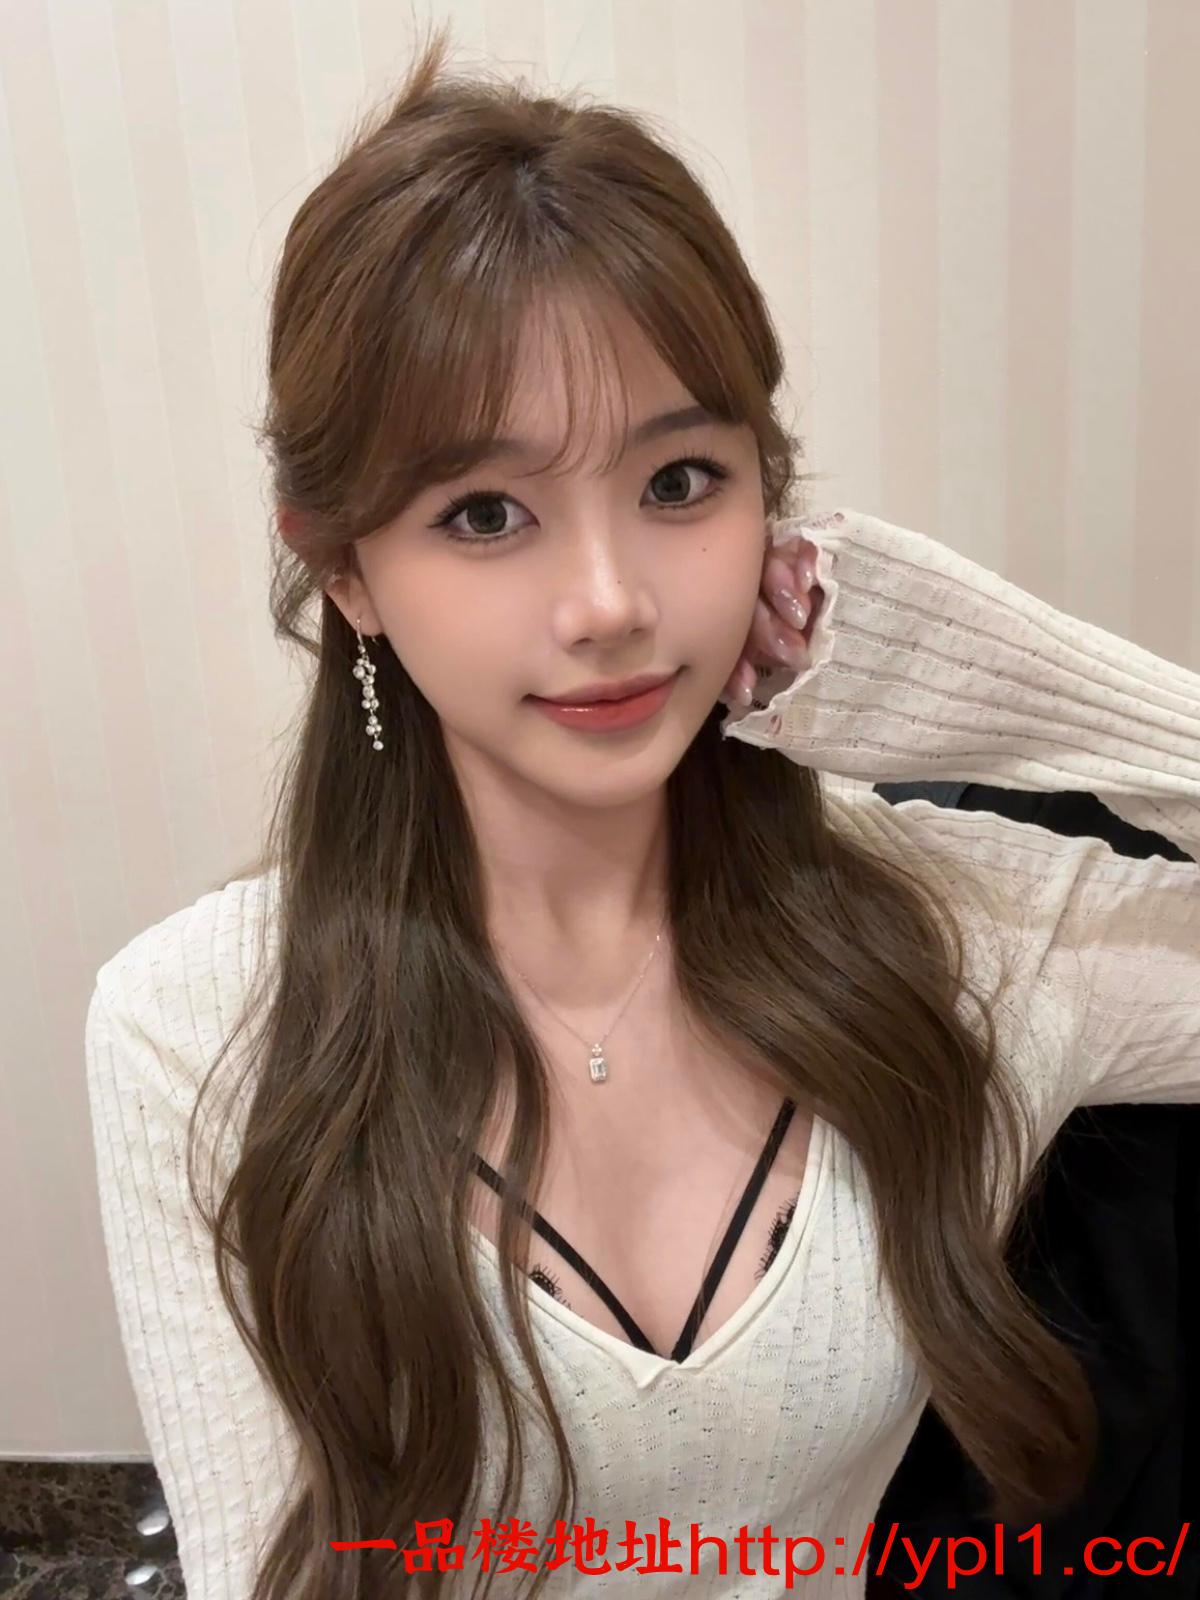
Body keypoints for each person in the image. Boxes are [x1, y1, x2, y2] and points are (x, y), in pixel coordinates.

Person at [83, 23, 1200, 1600]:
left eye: (680, 484)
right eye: (487, 512)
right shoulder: (193, 1030)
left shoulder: (973, 939)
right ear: (345, 569)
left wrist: (971, 669)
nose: (609, 600)